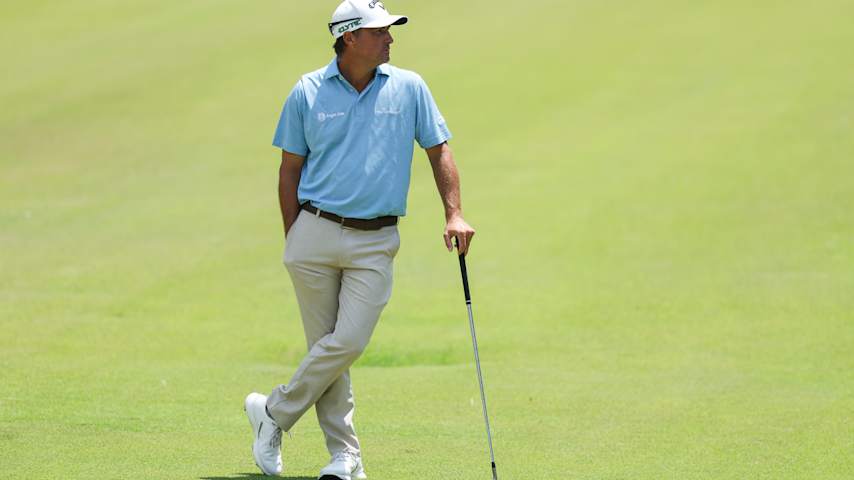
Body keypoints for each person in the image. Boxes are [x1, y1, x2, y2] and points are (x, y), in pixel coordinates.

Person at [244, 1, 475, 478]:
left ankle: (273, 413)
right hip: (314, 232)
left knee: (344, 342)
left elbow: (439, 149)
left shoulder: (410, 87)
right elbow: (289, 170)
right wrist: (296, 238)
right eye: (380, 32)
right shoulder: (307, 91)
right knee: (328, 350)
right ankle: (344, 458)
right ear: (349, 37)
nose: (390, 39)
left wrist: (454, 213)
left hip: (375, 238)